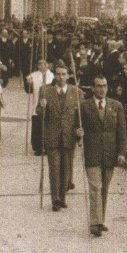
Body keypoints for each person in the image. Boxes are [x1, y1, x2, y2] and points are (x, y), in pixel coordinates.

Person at [80, 75, 127, 237]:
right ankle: (95, 223)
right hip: (92, 153)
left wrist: (121, 153)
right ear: (93, 88)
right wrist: (78, 133)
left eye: (105, 86)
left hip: (109, 155)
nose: (102, 89)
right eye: (98, 86)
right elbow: (76, 128)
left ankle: (101, 220)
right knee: (95, 187)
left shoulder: (116, 106)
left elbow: (121, 132)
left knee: (104, 189)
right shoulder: (84, 107)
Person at [38, 61, 83, 212]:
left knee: (66, 168)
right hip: (52, 136)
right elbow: (40, 113)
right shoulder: (45, 91)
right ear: (54, 75)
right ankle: (55, 199)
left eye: (64, 74)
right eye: (58, 74)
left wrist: (79, 130)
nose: (61, 77)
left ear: (68, 76)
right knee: (54, 167)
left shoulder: (77, 93)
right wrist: (42, 107)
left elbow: (80, 117)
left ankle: (62, 197)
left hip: (69, 136)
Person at [27, 58, 54, 155]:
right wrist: (28, 84)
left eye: (43, 64)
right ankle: (38, 148)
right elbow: (28, 90)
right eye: (39, 64)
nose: (41, 66)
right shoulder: (33, 75)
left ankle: (48, 146)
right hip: (37, 102)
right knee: (37, 125)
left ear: (47, 64)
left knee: (48, 124)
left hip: (49, 102)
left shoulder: (52, 76)